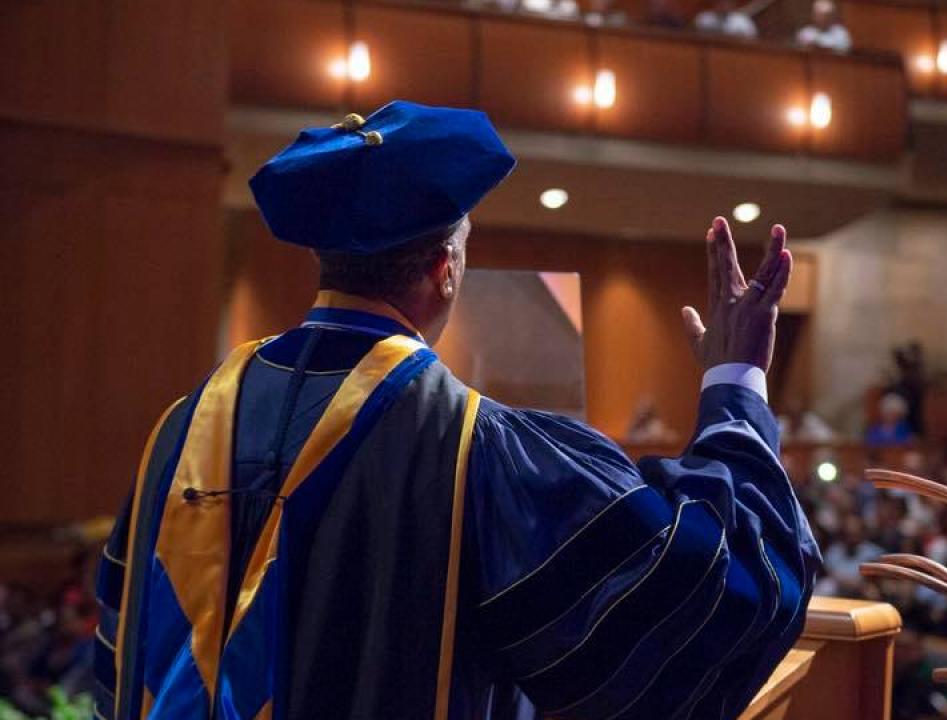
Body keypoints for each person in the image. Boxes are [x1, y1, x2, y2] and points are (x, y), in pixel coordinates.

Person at [92, 101, 818, 720]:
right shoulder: (477, 450)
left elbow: (120, 655)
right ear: (446, 270)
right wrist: (736, 377)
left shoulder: (184, 427)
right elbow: (720, 596)